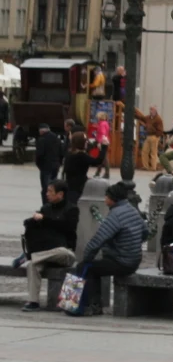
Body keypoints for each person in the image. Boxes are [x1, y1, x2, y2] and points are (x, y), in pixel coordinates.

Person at [76, 182, 148, 315]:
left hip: (121, 261)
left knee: (86, 268)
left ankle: (89, 305)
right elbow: (145, 232)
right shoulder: (132, 210)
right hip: (134, 260)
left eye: (106, 197)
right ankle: (96, 304)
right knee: (96, 268)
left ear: (112, 198)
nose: (105, 200)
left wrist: (86, 258)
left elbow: (98, 240)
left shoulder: (115, 215)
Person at [20, 180, 79, 311]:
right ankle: (33, 302)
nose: (47, 194)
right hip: (46, 253)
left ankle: (31, 256)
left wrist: (45, 220)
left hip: (62, 252)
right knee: (32, 265)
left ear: (60, 194)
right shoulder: (46, 208)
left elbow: (67, 228)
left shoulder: (72, 209)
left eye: (50, 192)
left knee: (63, 252)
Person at [63, 132, 105, 206]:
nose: (87, 143)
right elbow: (97, 161)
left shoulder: (70, 153)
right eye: (85, 141)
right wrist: (104, 148)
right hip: (78, 186)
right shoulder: (81, 155)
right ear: (80, 143)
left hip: (70, 184)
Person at [34, 124, 62, 194]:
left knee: (46, 188)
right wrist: (59, 163)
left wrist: (39, 165)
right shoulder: (57, 138)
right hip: (55, 165)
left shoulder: (41, 139)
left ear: (41, 131)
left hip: (46, 166)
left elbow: (39, 154)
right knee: (54, 185)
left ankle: (47, 203)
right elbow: (61, 152)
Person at [135, 107, 163, 171]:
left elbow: (160, 129)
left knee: (153, 152)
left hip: (154, 136)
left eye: (152, 110)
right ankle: (146, 166)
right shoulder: (148, 117)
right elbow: (142, 118)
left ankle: (153, 167)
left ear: (155, 111)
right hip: (148, 136)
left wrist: (157, 136)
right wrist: (135, 114)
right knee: (144, 151)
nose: (151, 111)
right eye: (150, 110)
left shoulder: (158, 119)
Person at [92, 112, 111, 178]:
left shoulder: (102, 124)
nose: (97, 117)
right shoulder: (105, 123)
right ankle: (99, 172)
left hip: (102, 142)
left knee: (104, 158)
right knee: (102, 157)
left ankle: (106, 173)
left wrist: (99, 142)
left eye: (98, 116)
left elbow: (103, 133)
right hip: (104, 142)